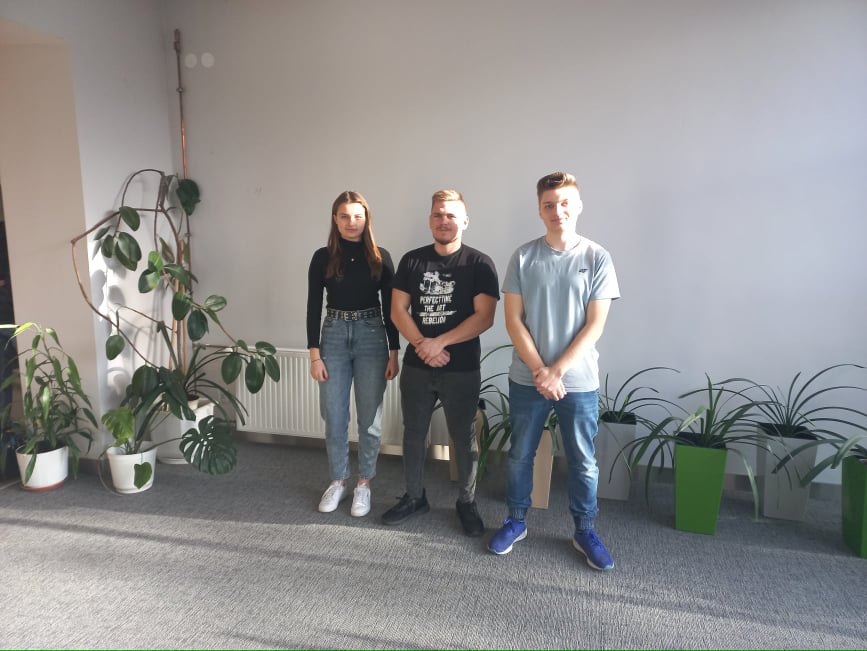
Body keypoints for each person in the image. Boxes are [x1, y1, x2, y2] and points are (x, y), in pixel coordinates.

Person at [487, 171, 620, 570]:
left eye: (564, 203)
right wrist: (540, 371)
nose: (557, 210)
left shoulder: (597, 257)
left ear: (577, 206)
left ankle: (585, 530)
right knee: (520, 455)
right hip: (527, 379)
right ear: (539, 210)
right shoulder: (523, 257)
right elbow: (513, 322)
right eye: (549, 204)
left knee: (583, 461)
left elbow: (595, 325)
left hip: (578, 382)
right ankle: (515, 521)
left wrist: (556, 371)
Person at [381, 189, 499, 537]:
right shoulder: (412, 261)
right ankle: (414, 497)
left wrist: (440, 342)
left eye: (451, 215)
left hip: (461, 368)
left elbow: (484, 317)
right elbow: (397, 311)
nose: (443, 221)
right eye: (437, 214)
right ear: (430, 220)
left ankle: (467, 502)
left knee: (463, 437)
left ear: (465, 220)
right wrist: (422, 344)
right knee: (414, 433)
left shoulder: (480, 264)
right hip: (418, 367)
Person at [307, 191, 400, 517]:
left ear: (366, 219)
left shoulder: (380, 257)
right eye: (345, 216)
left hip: (372, 336)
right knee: (334, 416)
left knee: (370, 419)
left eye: (358, 216)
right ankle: (338, 480)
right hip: (333, 336)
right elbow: (313, 305)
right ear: (335, 219)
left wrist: (394, 352)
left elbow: (391, 310)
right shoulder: (322, 257)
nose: (351, 222)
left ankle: (364, 484)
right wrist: (314, 354)